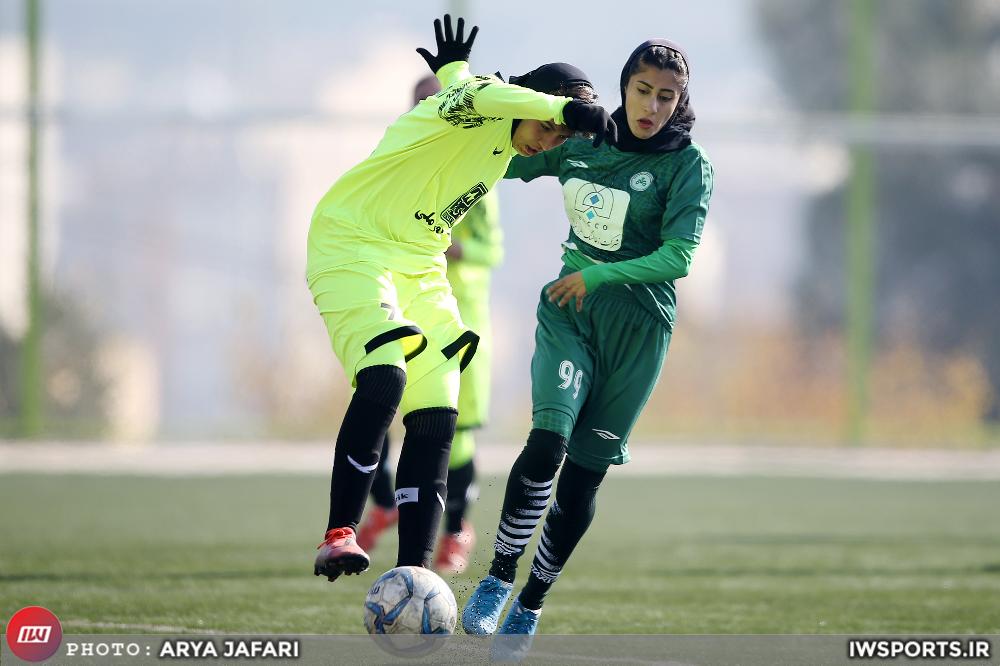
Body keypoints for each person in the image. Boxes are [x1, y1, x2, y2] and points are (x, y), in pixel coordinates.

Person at [309, 14, 618, 582]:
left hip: (419, 264)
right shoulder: (481, 102)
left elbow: (474, 89)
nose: (547, 143)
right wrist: (567, 111)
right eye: (549, 127)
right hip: (351, 242)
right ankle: (339, 533)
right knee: (385, 374)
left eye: (558, 136)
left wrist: (457, 67)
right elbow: (481, 92)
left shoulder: (506, 140)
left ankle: (413, 574)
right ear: (532, 101)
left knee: (439, 401)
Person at [461, 39, 714, 641]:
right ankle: (497, 577)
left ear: (680, 101)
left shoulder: (688, 165)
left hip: (638, 333)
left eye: (666, 96)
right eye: (642, 90)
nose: (652, 105)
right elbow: (503, 157)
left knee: (581, 479)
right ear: (624, 86)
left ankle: (530, 602)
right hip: (569, 313)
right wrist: (482, 99)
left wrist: (598, 273)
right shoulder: (584, 140)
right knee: (548, 442)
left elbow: (678, 256)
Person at [357, 74, 505, 575]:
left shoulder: (476, 173)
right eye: (422, 105)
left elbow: (493, 249)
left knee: (455, 432)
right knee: (378, 409)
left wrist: (453, 248)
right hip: (401, 308)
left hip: (458, 315)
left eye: (440, 103)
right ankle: (385, 503)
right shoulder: (399, 167)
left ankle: (455, 530)